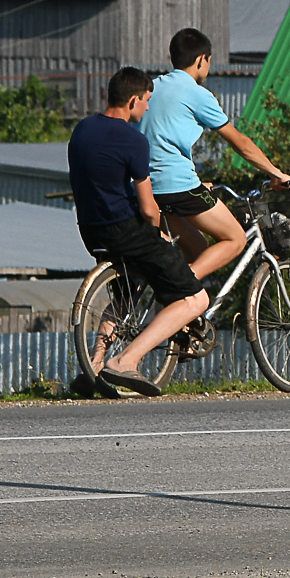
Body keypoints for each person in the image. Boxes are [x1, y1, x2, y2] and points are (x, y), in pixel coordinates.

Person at [66, 67, 206, 397]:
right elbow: (147, 208)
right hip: (125, 231)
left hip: (91, 231)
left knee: (128, 291)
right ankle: (126, 361)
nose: (147, 108)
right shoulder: (134, 140)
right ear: (132, 101)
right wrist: (156, 233)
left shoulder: (82, 130)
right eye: (146, 101)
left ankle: (95, 366)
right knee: (196, 297)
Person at [142, 26, 290, 282]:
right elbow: (240, 143)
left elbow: (159, 141)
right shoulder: (198, 94)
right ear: (202, 60)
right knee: (234, 238)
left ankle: (179, 315)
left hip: (145, 189)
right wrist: (276, 173)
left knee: (199, 249)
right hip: (177, 187)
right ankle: (180, 286)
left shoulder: (151, 88)